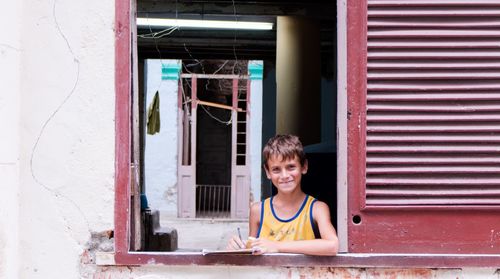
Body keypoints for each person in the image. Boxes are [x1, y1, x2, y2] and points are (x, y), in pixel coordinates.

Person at [227, 134, 339, 256]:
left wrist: (277, 246)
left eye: (291, 167)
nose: (284, 175)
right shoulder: (258, 210)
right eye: (276, 169)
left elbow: (332, 246)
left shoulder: (317, 208)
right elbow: (252, 251)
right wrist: (238, 248)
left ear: (304, 167)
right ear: (267, 172)